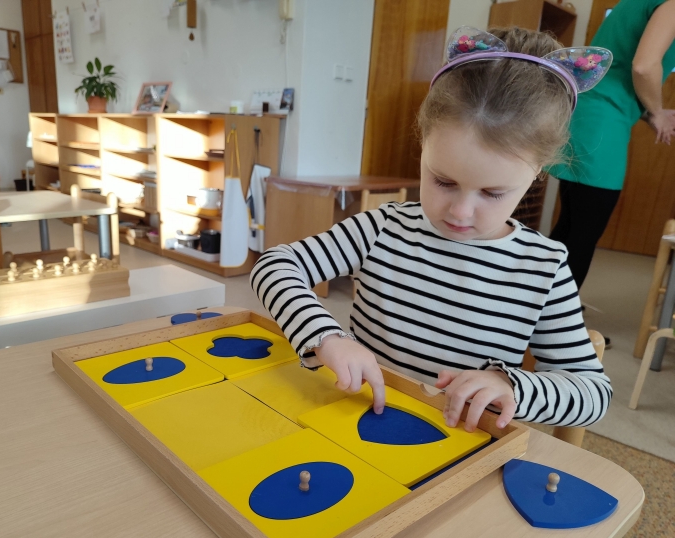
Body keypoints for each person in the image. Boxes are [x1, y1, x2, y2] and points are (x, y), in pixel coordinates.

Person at [251, 26, 613, 433]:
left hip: (457, 448)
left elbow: (593, 393)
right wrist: (325, 337)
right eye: (443, 181)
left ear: (538, 170)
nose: (460, 210)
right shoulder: (383, 227)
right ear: (424, 143)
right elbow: (274, 265)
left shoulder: (544, 267)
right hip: (352, 425)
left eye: (492, 193)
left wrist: (513, 387)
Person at [548, 0, 675, 289]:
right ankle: (556, 314)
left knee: (571, 227)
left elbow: (616, 69)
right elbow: (643, 67)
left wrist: (650, 113)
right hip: (601, 123)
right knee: (583, 233)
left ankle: (537, 307)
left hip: (589, 114)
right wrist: (656, 112)